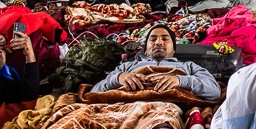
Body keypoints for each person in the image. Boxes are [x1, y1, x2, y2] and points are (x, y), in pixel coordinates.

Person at [91, 25, 221, 99]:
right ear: (145, 50)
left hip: (167, 110)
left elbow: (214, 92)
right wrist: (118, 78)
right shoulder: (127, 66)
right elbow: (94, 92)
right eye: (153, 39)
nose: (159, 42)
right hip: (125, 109)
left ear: (174, 49)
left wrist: (181, 81)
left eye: (165, 39)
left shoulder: (189, 66)